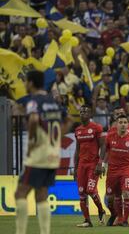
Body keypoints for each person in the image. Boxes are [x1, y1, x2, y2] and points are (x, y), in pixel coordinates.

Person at [15, 70, 72, 234]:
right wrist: (56, 137)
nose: (25, 84)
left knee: (21, 192)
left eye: (26, 81)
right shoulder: (53, 102)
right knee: (42, 194)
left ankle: (20, 232)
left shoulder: (34, 101)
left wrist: (32, 141)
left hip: (38, 154)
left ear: (31, 83)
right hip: (53, 155)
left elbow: (33, 119)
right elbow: (68, 120)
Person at [104, 114, 129, 226]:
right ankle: (117, 216)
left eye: (125, 122)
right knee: (112, 197)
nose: (123, 125)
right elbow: (104, 151)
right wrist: (101, 163)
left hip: (127, 169)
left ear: (128, 125)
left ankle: (124, 220)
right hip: (112, 170)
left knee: (126, 193)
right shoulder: (110, 136)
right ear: (116, 124)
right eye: (120, 122)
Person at [73, 105, 106, 227]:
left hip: (93, 164)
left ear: (90, 114)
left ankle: (101, 210)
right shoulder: (78, 130)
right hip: (82, 165)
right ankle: (87, 221)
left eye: (85, 111)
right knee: (81, 193)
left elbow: (103, 146)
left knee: (91, 190)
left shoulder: (96, 128)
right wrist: (75, 168)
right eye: (81, 112)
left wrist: (100, 163)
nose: (82, 113)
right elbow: (77, 150)